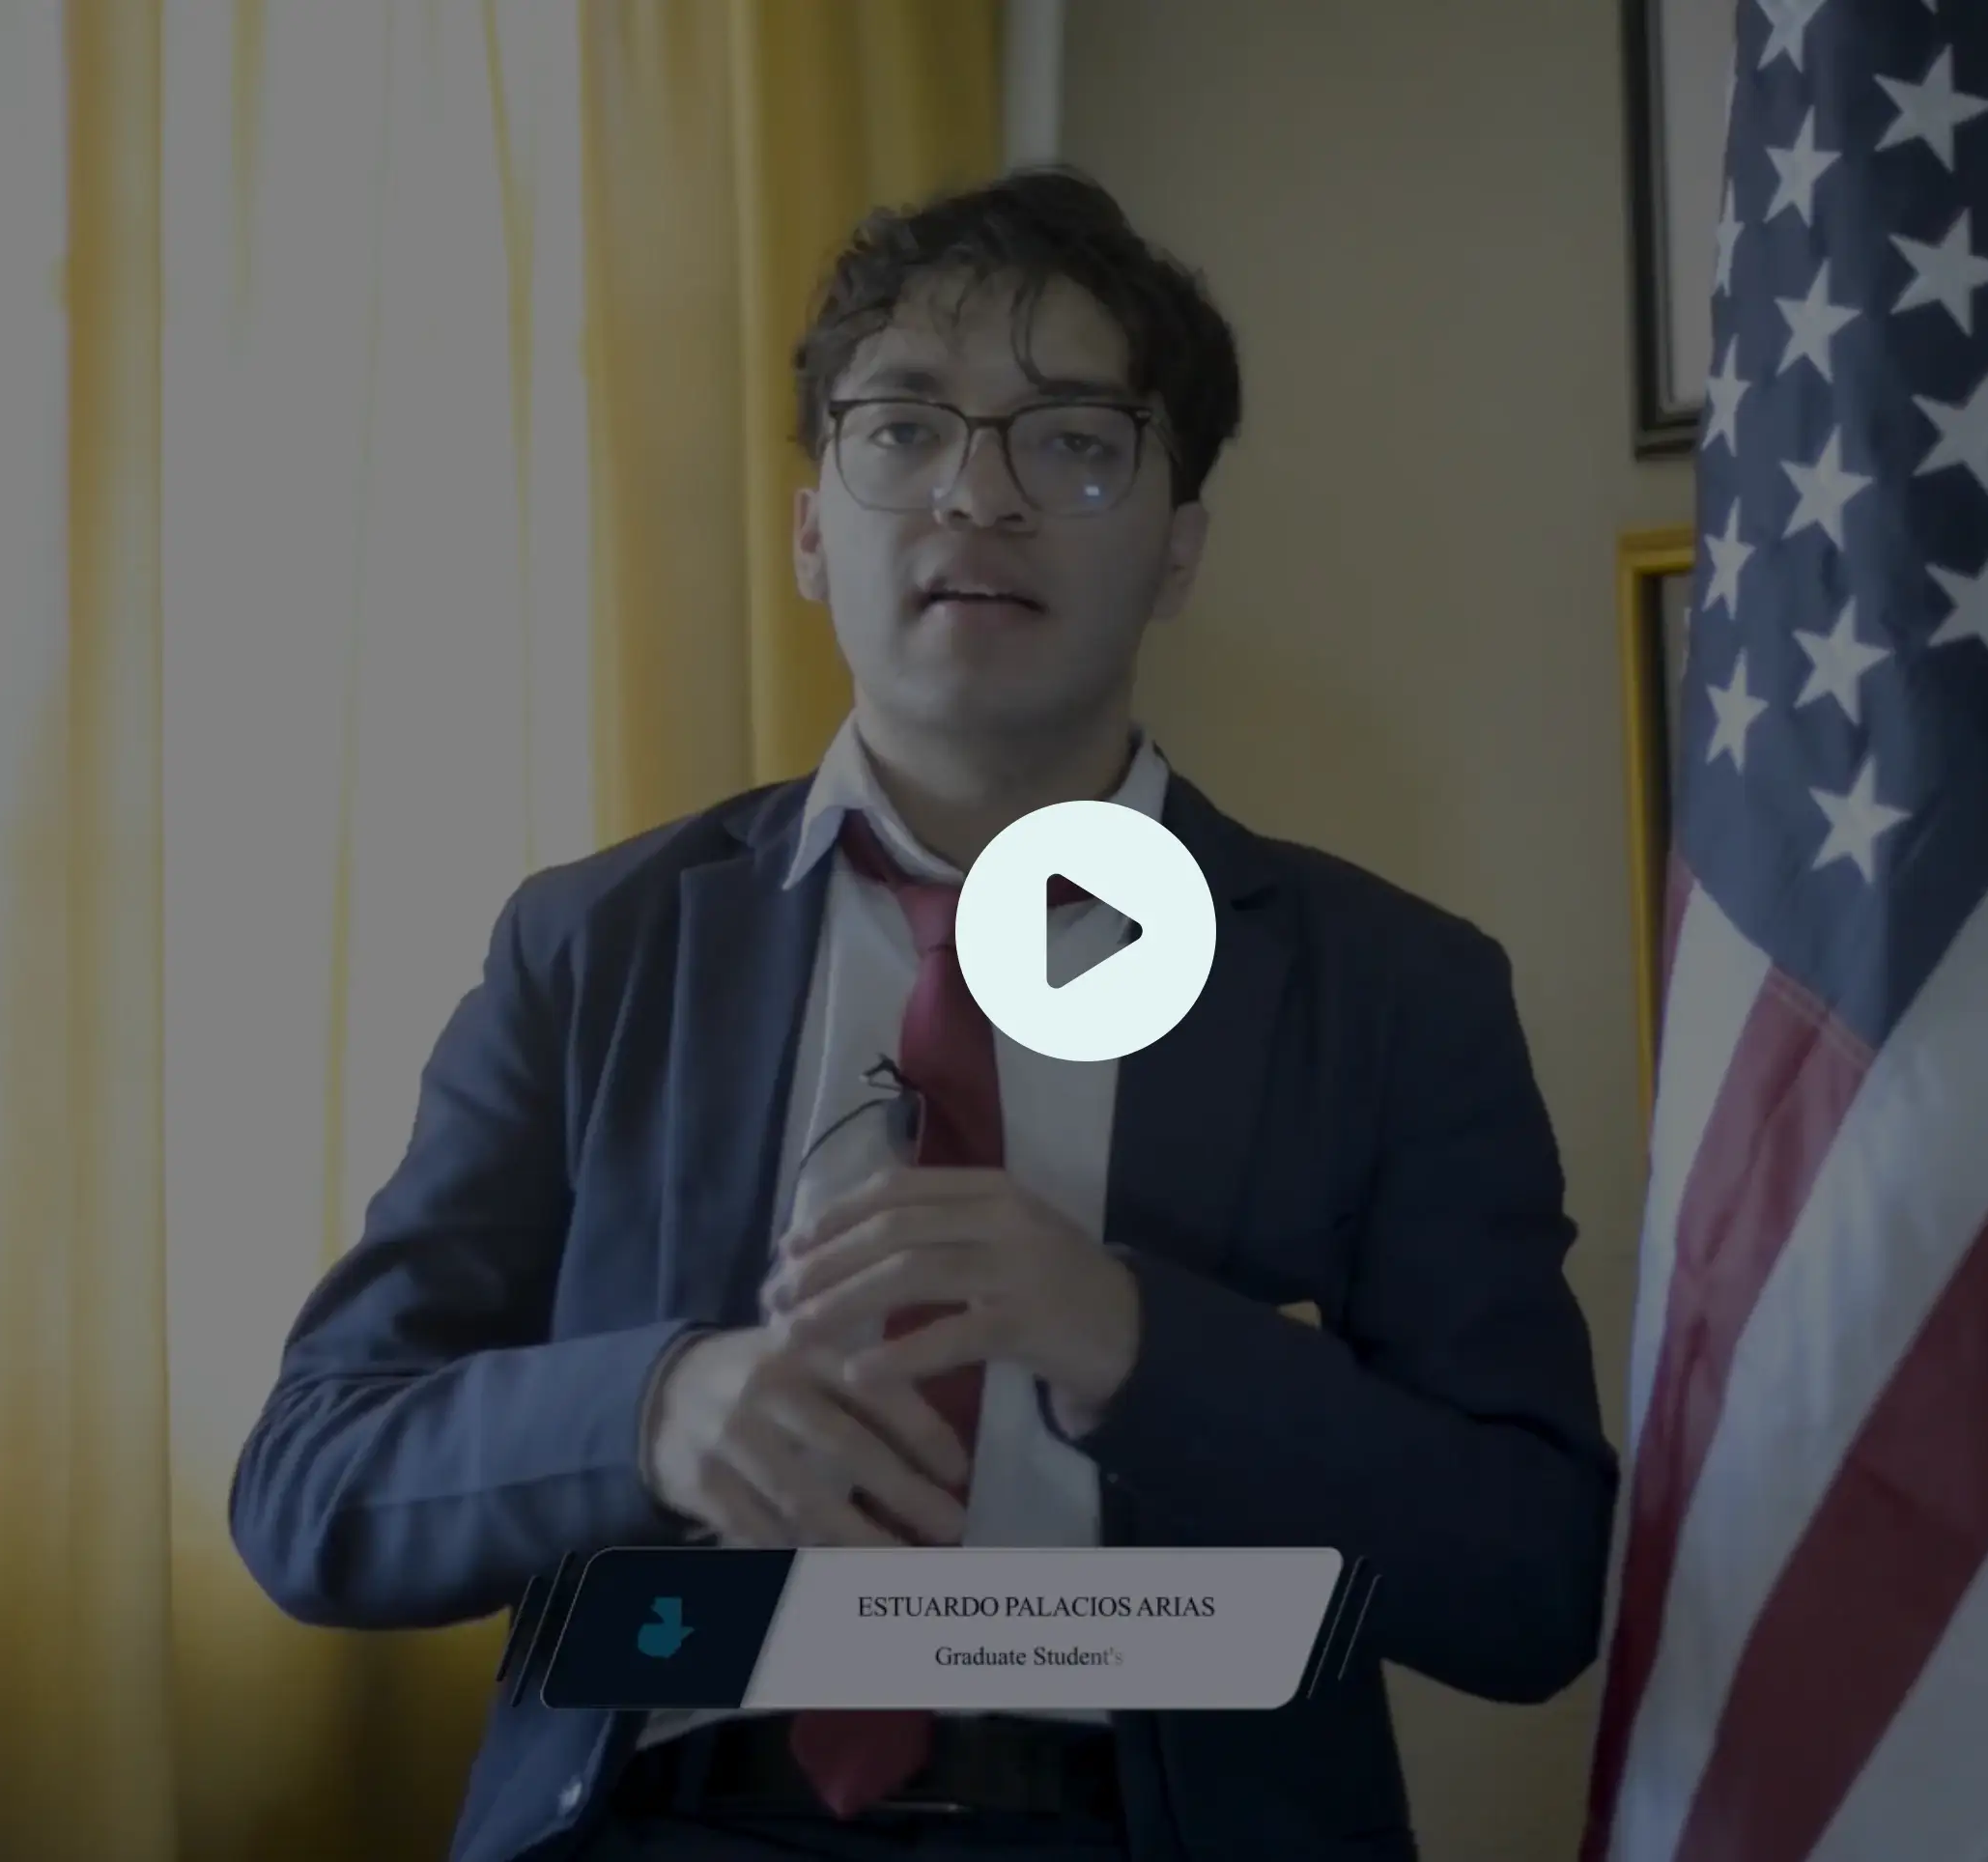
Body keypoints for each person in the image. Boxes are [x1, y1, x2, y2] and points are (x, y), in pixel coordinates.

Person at [228, 165, 1616, 1862]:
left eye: (1071, 441)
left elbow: (1534, 1583)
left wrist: (1130, 1342)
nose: (979, 496)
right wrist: (655, 1411)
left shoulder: (1391, 989)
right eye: (902, 432)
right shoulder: (593, 949)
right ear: (816, 530)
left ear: (1177, 547)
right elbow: (311, 1485)